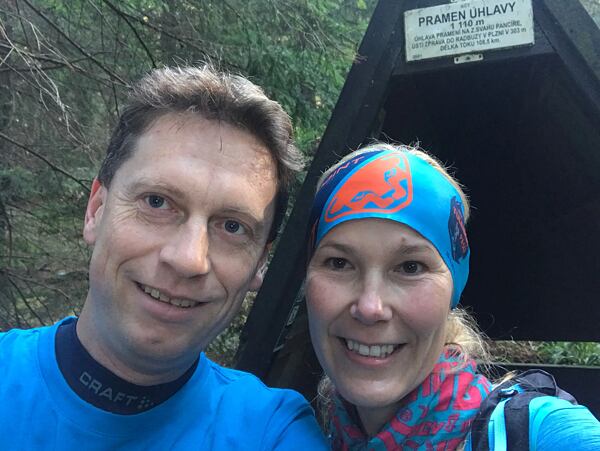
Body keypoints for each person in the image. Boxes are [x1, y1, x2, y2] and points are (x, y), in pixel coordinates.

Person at [0, 65, 327, 450]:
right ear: (96, 211)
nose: (189, 259)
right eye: (157, 202)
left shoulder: (272, 434)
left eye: (232, 226)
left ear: (259, 264)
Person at [304, 143, 600, 450]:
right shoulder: (307, 436)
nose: (370, 307)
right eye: (339, 263)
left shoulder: (537, 434)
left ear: (453, 289)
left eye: (410, 267)